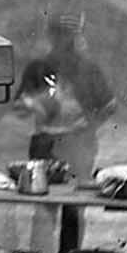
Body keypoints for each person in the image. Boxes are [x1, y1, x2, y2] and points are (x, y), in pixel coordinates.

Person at [16, 11, 116, 188]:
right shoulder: (38, 69)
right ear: (50, 36)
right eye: (58, 34)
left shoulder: (89, 70)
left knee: (75, 205)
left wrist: (89, 126)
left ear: (76, 38)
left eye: (68, 35)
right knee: (44, 201)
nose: (63, 41)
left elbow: (109, 105)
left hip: (79, 148)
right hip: (45, 149)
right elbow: (20, 110)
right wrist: (35, 107)